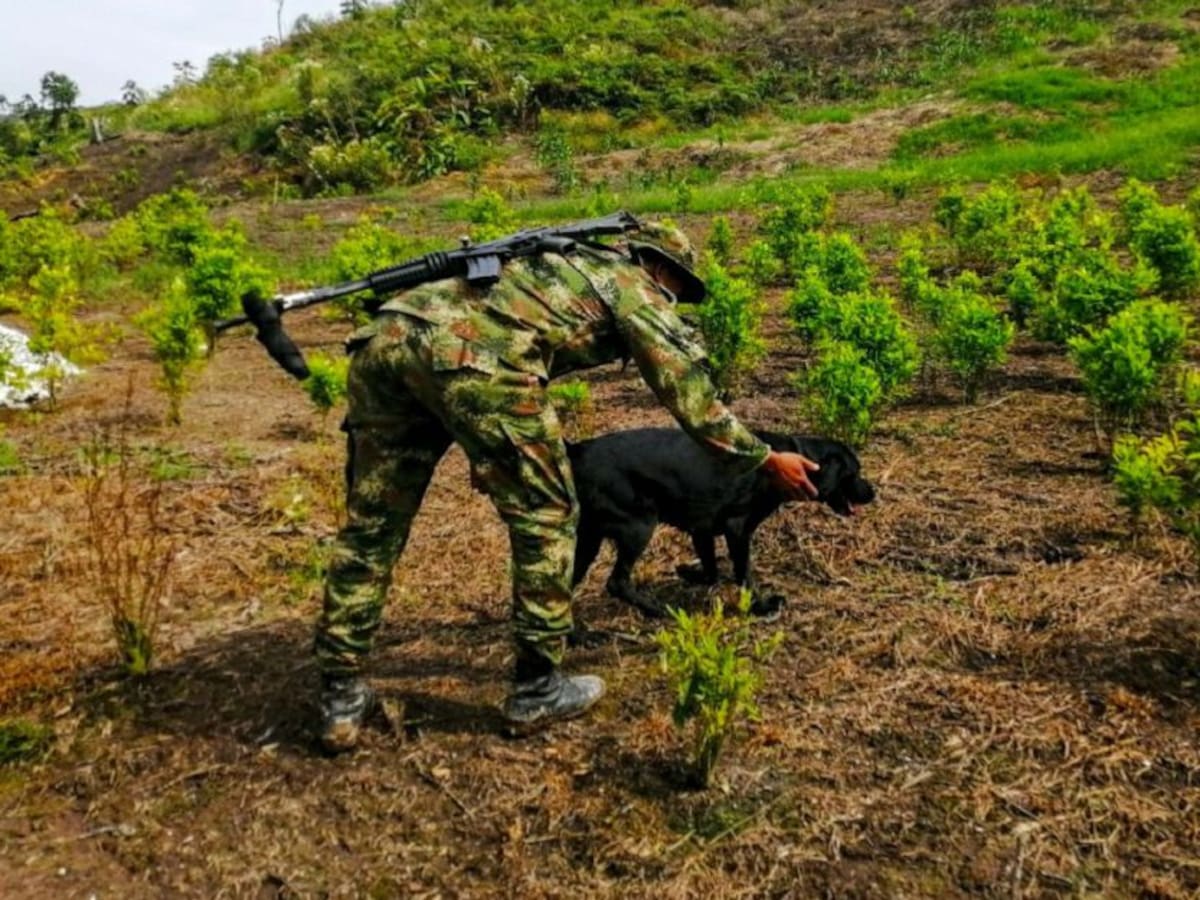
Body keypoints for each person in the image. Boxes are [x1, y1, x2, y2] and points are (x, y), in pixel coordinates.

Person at [314, 218, 820, 752]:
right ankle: (537, 689)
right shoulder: (633, 286)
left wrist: (484, 441)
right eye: (678, 287)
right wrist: (763, 458)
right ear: (657, 265)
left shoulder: (551, 267)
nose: (676, 300)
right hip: (475, 357)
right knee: (548, 514)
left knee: (371, 527)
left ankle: (340, 697)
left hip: (385, 340)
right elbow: (691, 397)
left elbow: (479, 332)